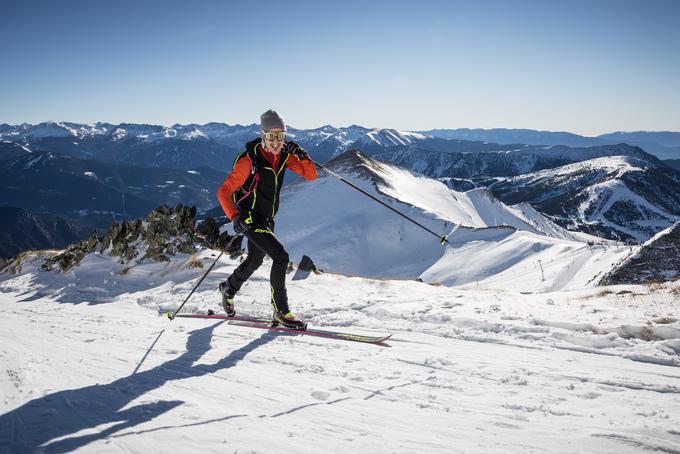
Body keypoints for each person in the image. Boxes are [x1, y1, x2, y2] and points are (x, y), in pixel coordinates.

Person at [216, 110, 318, 329]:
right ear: (262, 135)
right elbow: (223, 192)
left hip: (266, 219)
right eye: (272, 136)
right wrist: (234, 217)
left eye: (281, 136)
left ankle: (228, 288)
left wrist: (302, 155)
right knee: (281, 257)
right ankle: (281, 310)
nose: (276, 141)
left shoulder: (284, 156)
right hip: (249, 217)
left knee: (254, 261)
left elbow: (311, 175)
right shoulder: (248, 161)